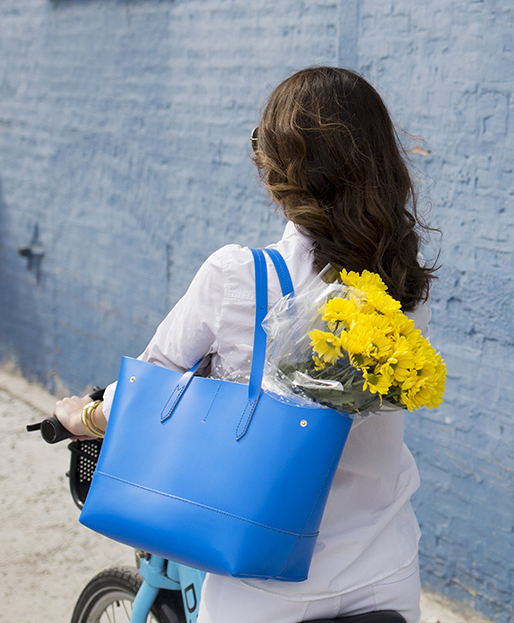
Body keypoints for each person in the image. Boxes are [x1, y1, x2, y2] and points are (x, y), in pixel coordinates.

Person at [53, 66, 436, 623]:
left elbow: (144, 389)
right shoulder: (406, 283)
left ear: (279, 170)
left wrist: (83, 414)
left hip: (261, 582)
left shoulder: (237, 277)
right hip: (384, 570)